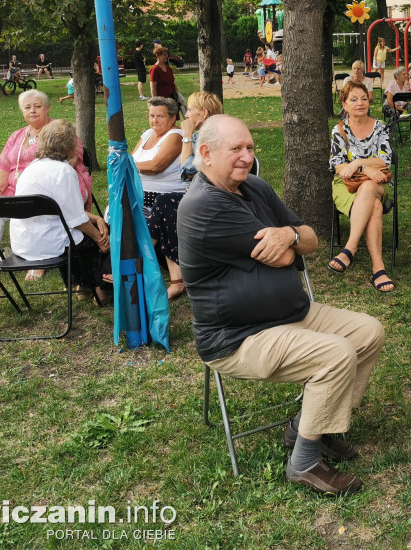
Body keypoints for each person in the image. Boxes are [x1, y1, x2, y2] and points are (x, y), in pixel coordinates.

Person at [178, 115, 384, 496]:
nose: (246, 156)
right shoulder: (203, 207)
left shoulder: (254, 186)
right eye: (235, 148)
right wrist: (291, 245)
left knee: (369, 332)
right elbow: (288, 259)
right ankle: (304, 461)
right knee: (337, 353)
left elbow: (309, 240)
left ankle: (312, 424)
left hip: (294, 313)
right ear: (205, 154)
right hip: (239, 336)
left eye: (250, 147)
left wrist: (288, 234)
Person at [0, 89, 94, 283]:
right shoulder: (17, 136)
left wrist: (40, 180)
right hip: (15, 189)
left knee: (37, 204)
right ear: (22, 111)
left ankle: (39, 258)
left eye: (37, 106)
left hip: (48, 189)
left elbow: (71, 158)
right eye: (27, 107)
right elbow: (3, 167)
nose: (33, 111)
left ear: (47, 108)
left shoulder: (59, 130)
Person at [10, 120, 110, 304]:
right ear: (70, 145)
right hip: (50, 244)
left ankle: (83, 286)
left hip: (23, 244)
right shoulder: (63, 171)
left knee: (86, 231)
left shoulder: (31, 169)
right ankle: (100, 292)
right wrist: (100, 239)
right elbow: (76, 219)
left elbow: (62, 209)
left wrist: (96, 218)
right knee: (91, 239)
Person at [145, 92, 224, 302]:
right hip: (201, 196)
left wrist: (187, 136)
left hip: (214, 199)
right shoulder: (209, 134)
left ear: (203, 113)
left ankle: (140, 263)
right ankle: (173, 275)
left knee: (164, 203)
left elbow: (187, 170)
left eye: (189, 110)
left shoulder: (211, 137)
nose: (186, 114)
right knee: (164, 205)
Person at [328, 81, 395, 292]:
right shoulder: (339, 130)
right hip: (345, 186)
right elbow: (338, 167)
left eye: (364, 98)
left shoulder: (380, 127)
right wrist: (367, 170)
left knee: (368, 188)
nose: (360, 103)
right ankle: (378, 268)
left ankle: (350, 247)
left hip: (378, 183)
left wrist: (357, 163)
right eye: (353, 99)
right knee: (374, 206)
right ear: (344, 104)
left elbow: (385, 161)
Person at [134, 97, 187, 298]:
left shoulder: (175, 135)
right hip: (141, 195)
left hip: (168, 196)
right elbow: (131, 159)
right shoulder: (147, 134)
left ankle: (137, 264)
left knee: (159, 213)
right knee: (115, 216)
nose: (154, 120)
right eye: (151, 115)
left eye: (160, 116)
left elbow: (156, 166)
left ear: (173, 118)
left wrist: (130, 166)